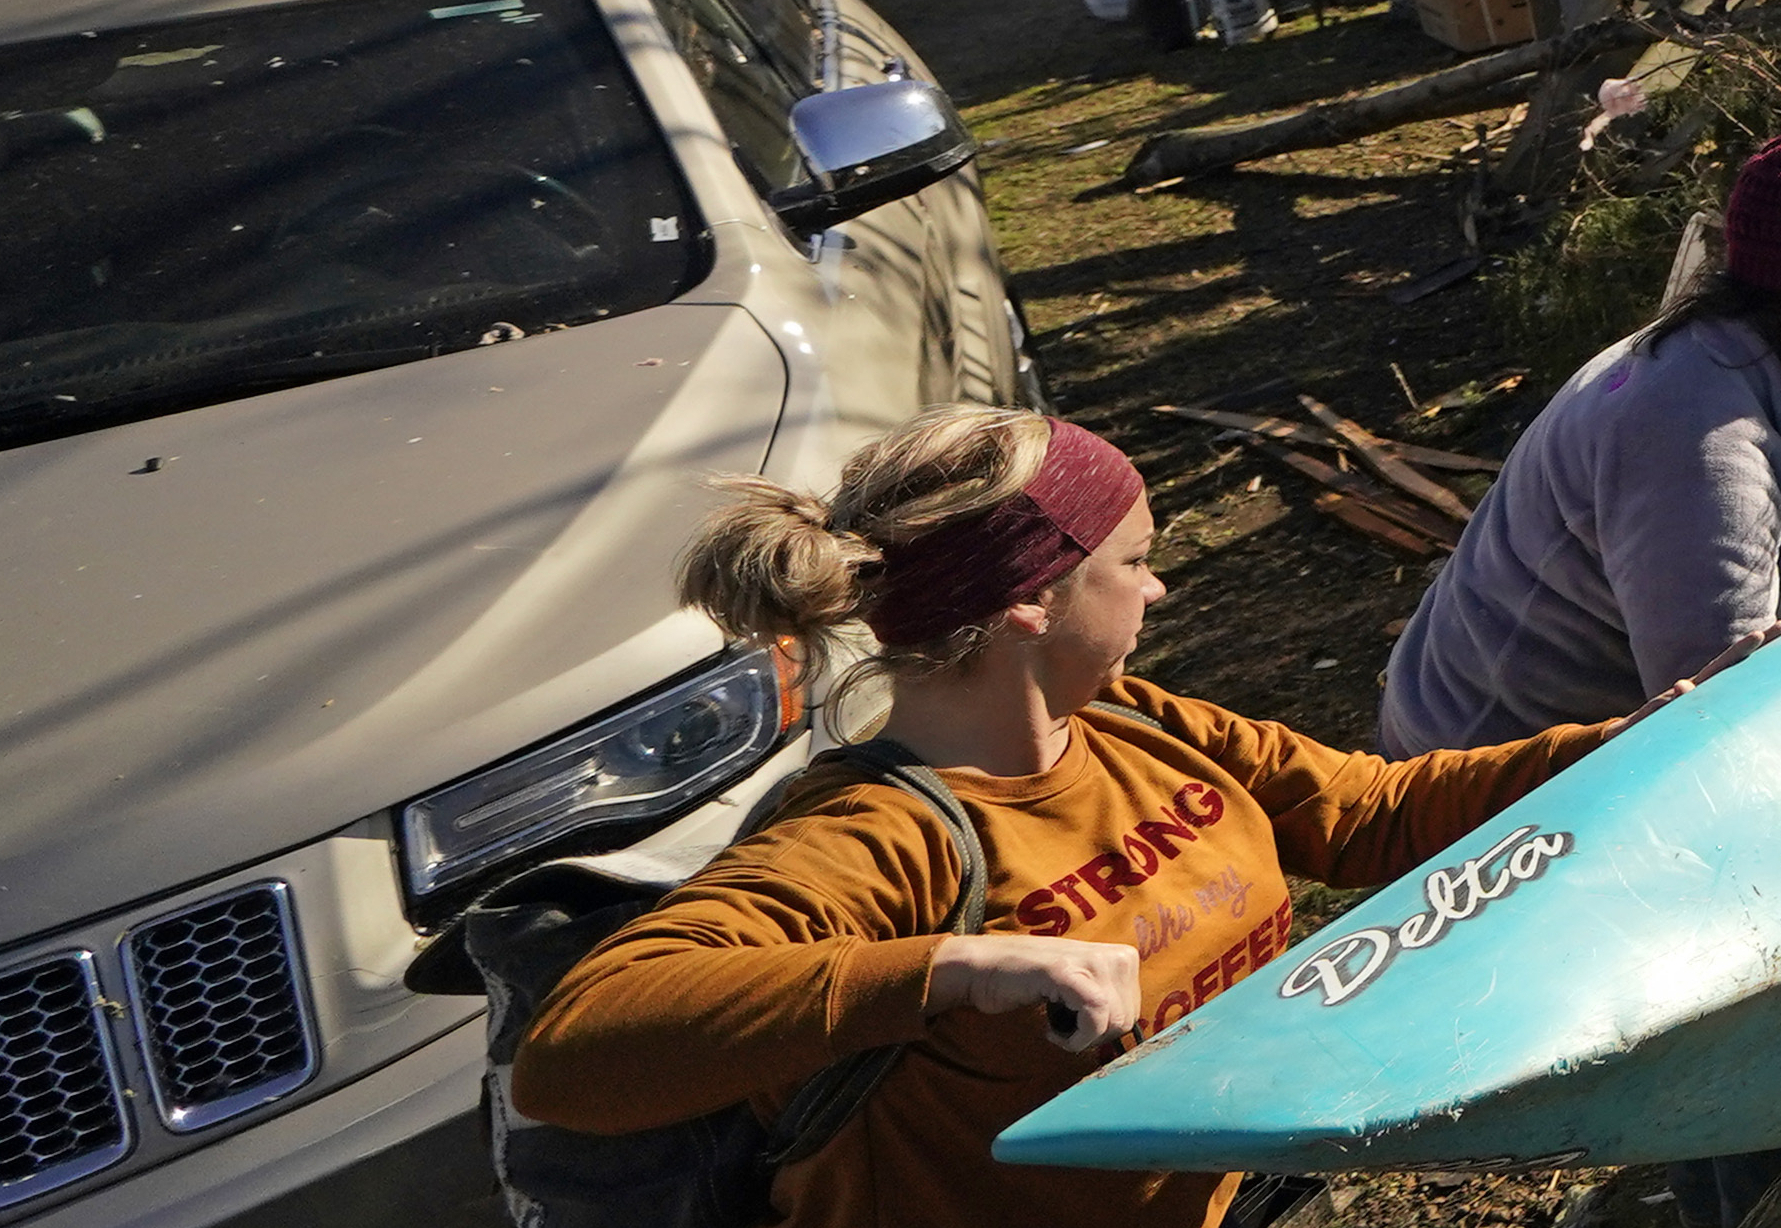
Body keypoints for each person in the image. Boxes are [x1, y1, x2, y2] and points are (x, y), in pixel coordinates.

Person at [514, 412, 1622, 1228]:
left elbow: (1363, 812)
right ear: (1029, 602)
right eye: (1134, 562)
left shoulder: (1132, 716)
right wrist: (953, 965)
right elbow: (570, 1056)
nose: (1158, 592)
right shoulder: (872, 841)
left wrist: (1623, 744)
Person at [1376, 122, 1781, 753]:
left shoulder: (1758, 359)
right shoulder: (1700, 448)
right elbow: (1720, 716)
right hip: (1494, 782)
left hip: (1585, 740)